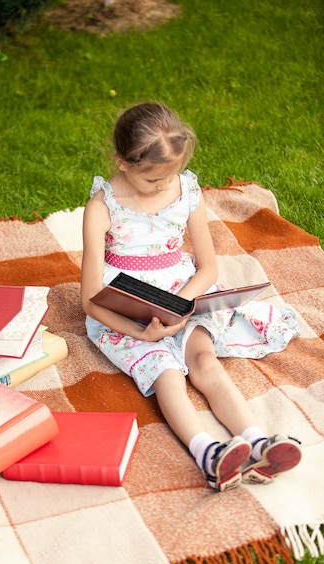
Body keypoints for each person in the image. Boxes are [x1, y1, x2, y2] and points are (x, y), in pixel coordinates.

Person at [81, 101, 301, 492]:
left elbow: (209, 269)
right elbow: (91, 298)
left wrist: (179, 307)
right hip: (128, 314)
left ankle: (257, 442)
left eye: (172, 176)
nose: (165, 186)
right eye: (153, 180)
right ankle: (208, 454)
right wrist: (144, 333)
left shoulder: (187, 192)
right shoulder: (102, 208)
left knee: (205, 361)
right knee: (166, 373)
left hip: (184, 298)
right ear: (122, 163)